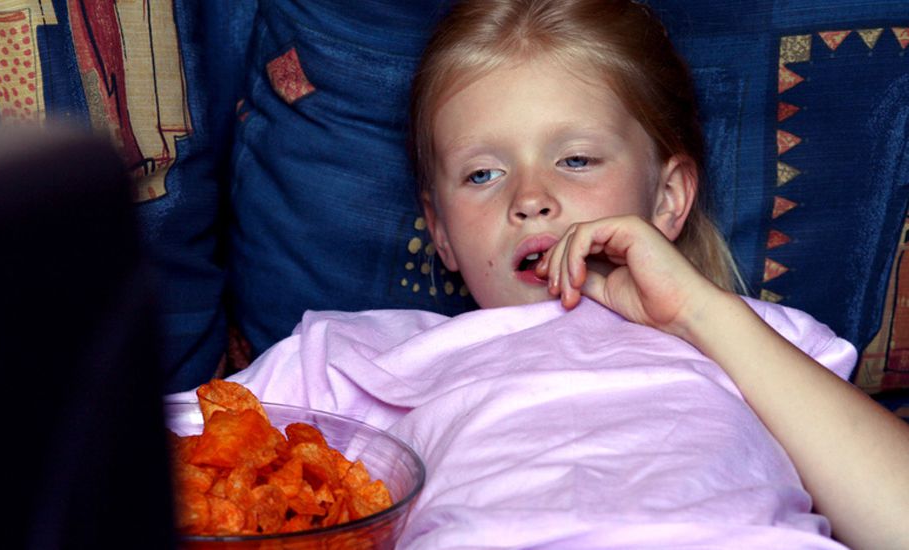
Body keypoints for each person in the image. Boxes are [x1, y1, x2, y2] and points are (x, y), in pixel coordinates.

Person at [171, 0, 909, 547]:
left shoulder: (749, 337)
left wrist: (697, 311)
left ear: (668, 197)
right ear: (441, 232)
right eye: (483, 173)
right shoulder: (357, 355)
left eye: (576, 160)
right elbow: (142, 464)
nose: (530, 198)